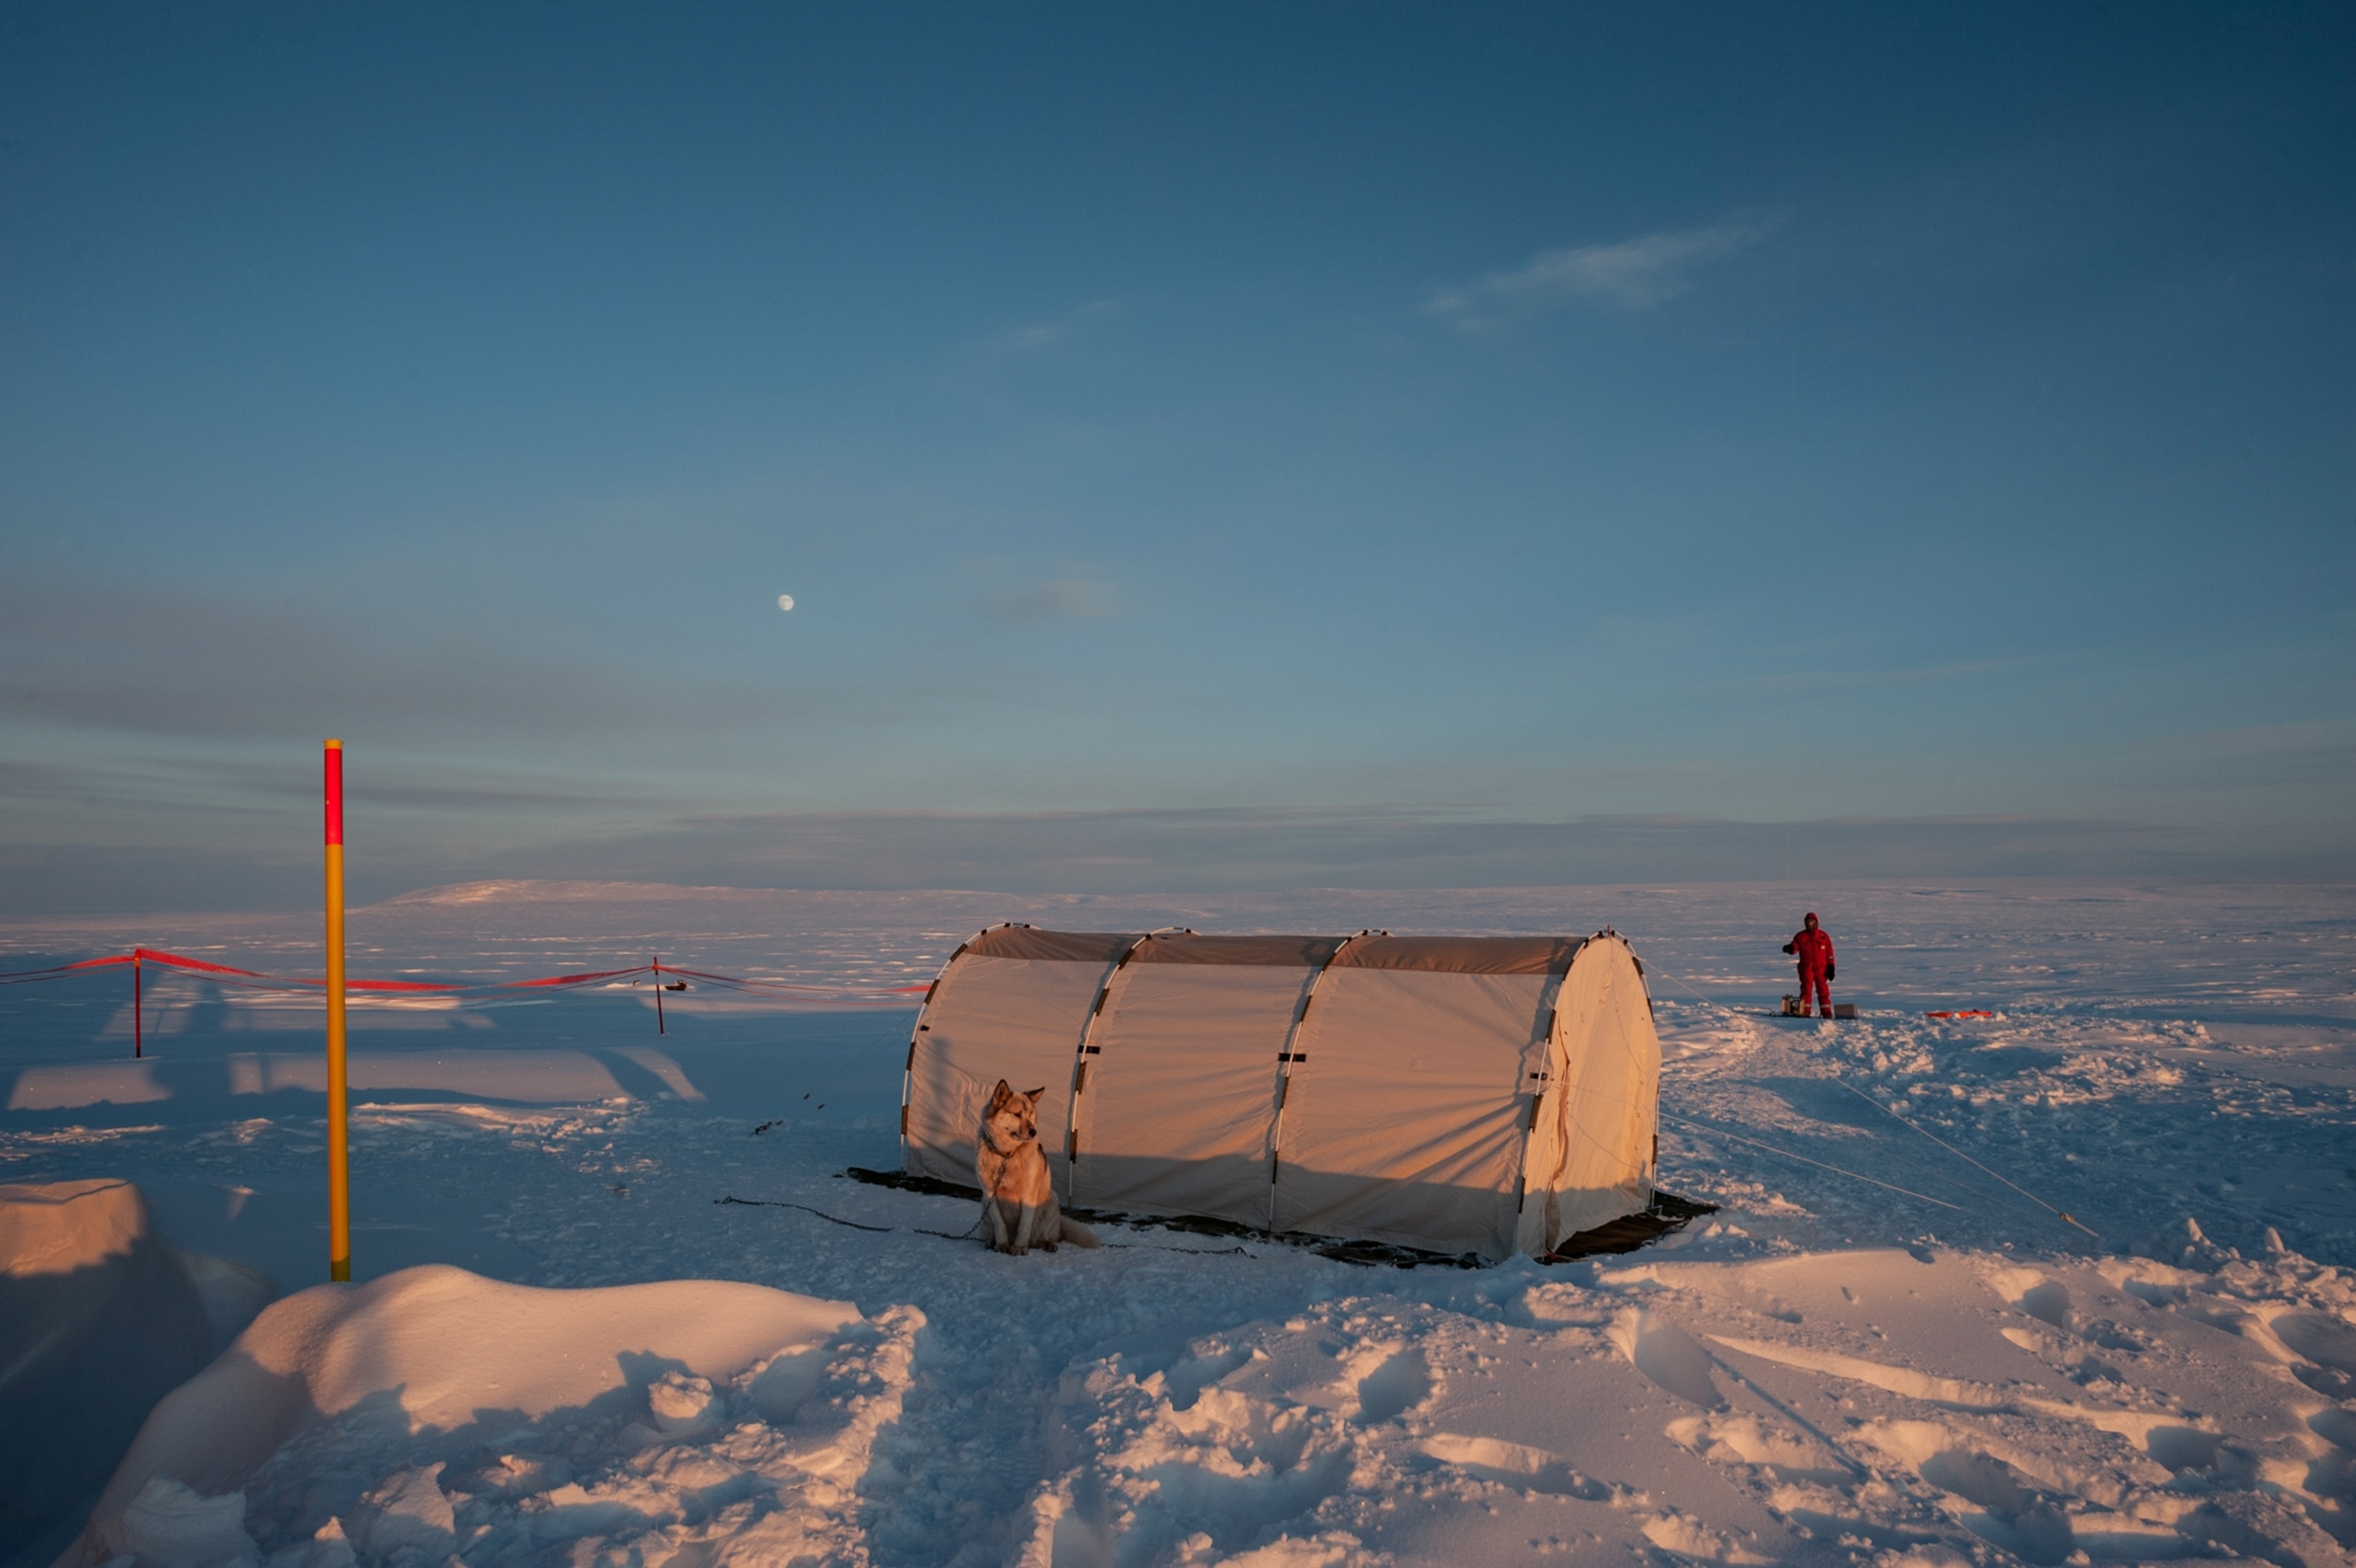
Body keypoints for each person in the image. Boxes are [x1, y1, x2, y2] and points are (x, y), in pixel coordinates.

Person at [1782, 912, 1835, 1017]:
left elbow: (1830, 954)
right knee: (1806, 991)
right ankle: (1805, 1012)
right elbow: (1795, 948)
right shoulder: (1801, 936)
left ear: (1816, 922)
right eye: (1808, 922)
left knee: (1823, 991)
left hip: (1821, 969)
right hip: (1807, 968)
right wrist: (1789, 948)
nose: (1810, 924)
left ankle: (1826, 1013)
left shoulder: (1823, 936)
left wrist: (1831, 967)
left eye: (1812, 921)